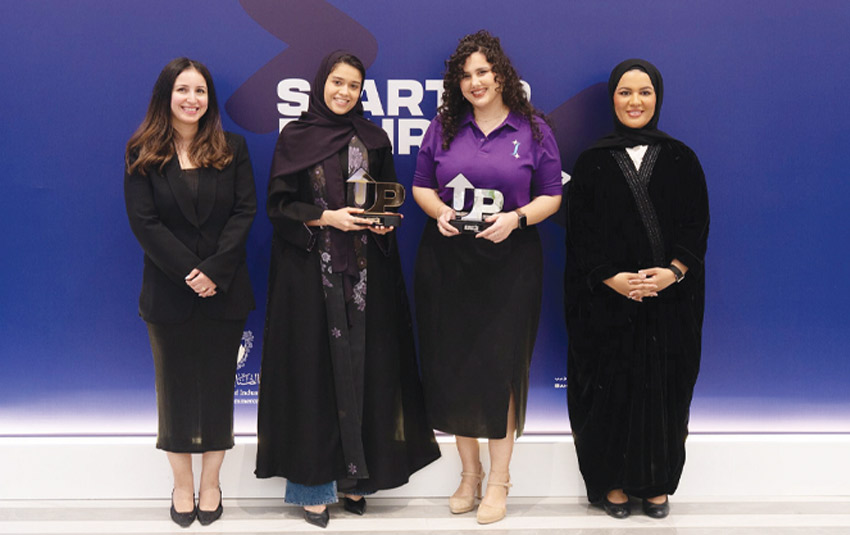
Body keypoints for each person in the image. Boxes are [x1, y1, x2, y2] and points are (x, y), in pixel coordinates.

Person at [255, 50, 441, 529]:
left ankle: (357, 481)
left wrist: (383, 224)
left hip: (364, 276)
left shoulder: (373, 138)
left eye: (353, 85)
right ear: (322, 83)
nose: (344, 92)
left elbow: (388, 199)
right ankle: (314, 488)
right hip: (308, 277)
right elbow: (278, 208)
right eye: (337, 82)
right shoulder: (295, 138)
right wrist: (325, 217)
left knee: (365, 372)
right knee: (314, 375)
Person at [412, 30, 562, 525]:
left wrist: (516, 219)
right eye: (465, 75)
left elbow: (551, 196)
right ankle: (469, 474)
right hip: (449, 264)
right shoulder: (443, 126)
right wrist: (439, 211)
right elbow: (421, 186)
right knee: (455, 368)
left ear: (501, 75)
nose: (474, 82)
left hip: (510, 266)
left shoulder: (533, 129)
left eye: (483, 72)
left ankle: (499, 480)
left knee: (501, 371)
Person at [564, 59, 710, 519]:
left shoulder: (682, 158)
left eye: (644, 92)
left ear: (657, 98)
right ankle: (612, 484)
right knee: (610, 393)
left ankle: (656, 484)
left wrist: (673, 271)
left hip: (670, 302)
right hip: (608, 304)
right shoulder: (591, 162)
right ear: (613, 99)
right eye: (625, 92)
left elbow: (697, 225)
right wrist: (611, 278)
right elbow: (580, 233)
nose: (635, 102)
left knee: (665, 392)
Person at [124, 57, 257, 528]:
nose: (192, 99)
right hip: (168, 294)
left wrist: (214, 271)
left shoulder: (232, 148)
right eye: (183, 89)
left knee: (219, 391)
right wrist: (190, 272)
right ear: (167, 95)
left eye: (200, 91)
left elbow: (244, 213)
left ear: (209, 100)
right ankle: (182, 485)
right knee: (175, 393)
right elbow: (145, 223)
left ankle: (211, 483)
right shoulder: (142, 152)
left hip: (225, 291)